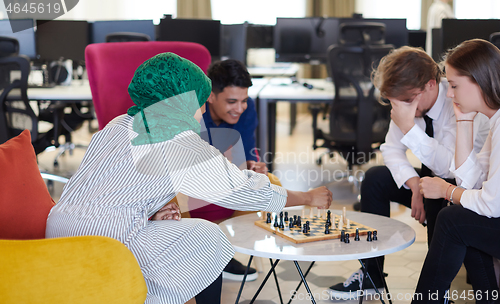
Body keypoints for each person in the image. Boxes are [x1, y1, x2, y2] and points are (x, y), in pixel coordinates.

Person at [45, 52, 332, 304]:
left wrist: (150, 209)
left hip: (57, 234)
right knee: (208, 238)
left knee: (183, 233)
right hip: (107, 242)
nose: (203, 111)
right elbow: (244, 191)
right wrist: (306, 197)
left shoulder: (117, 124)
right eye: (200, 102)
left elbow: (107, 189)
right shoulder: (179, 140)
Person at [328, 46, 490, 300]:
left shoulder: (460, 101)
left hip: (461, 188)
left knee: (439, 196)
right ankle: (372, 275)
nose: (404, 110)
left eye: (407, 101)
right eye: (397, 103)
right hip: (428, 184)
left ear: (430, 85)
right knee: (375, 179)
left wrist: (408, 128)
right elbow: (391, 150)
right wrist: (414, 184)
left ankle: (438, 291)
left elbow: (451, 168)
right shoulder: (407, 102)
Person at [416, 39, 500, 303]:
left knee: (454, 219)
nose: (449, 94)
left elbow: (491, 204)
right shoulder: (495, 121)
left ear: (479, 81)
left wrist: (447, 190)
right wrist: (464, 122)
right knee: (463, 218)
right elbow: (471, 180)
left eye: (454, 86)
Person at [179, 59, 267, 282]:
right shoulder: (191, 111)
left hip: (226, 180)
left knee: (266, 182)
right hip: (189, 184)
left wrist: (253, 166)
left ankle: (223, 252)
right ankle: (194, 256)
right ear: (210, 95)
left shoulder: (247, 110)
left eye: (244, 101)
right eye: (231, 101)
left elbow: (248, 151)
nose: (239, 108)